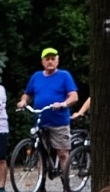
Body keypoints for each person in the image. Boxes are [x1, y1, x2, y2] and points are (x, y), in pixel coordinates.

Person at [17, 47, 79, 183]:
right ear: (42, 61)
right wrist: (23, 101)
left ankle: (66, 185)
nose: (50, 61)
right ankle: (41, 185)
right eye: (47, 59)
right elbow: (27, 94)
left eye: (53, 59)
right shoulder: (36, 77)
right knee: (40, 153)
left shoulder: (64, 76)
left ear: (57, 60)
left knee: (62, 153)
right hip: (41, 121)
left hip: (59, 121)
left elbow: (74, 96)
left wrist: (63, 104)